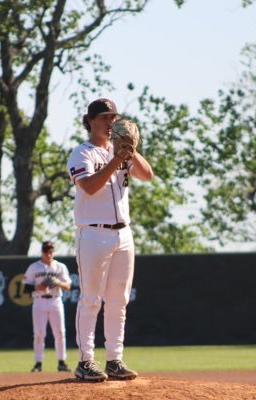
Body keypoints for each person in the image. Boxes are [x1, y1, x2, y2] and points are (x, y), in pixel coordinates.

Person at [67, 98, 154, 381]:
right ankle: (86, 361)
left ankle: (115, 359)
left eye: (113, 117)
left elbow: (147, 175)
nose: (110, 122)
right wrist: (117, 158)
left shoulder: (123, 154)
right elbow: (90, 187)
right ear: (90, 121)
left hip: (123, 234)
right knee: (91, 299)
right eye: (104, 117)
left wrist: (132, 152)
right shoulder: (83, 153)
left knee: (119, 300)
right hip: (93, 233)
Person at [23, 240, 72, 373]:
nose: (49, 254)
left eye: (51, 251)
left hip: (56, 300)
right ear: (42, 252)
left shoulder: (60, 267)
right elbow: (26, 288)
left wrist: (58, 282)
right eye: (46, 251)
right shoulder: (34, 267)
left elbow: (68, 286)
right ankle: (38, 363)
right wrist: (39, 286)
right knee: (39, 333)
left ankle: (62, 362)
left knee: (60, 332)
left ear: (53, 252)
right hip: (39, 300)